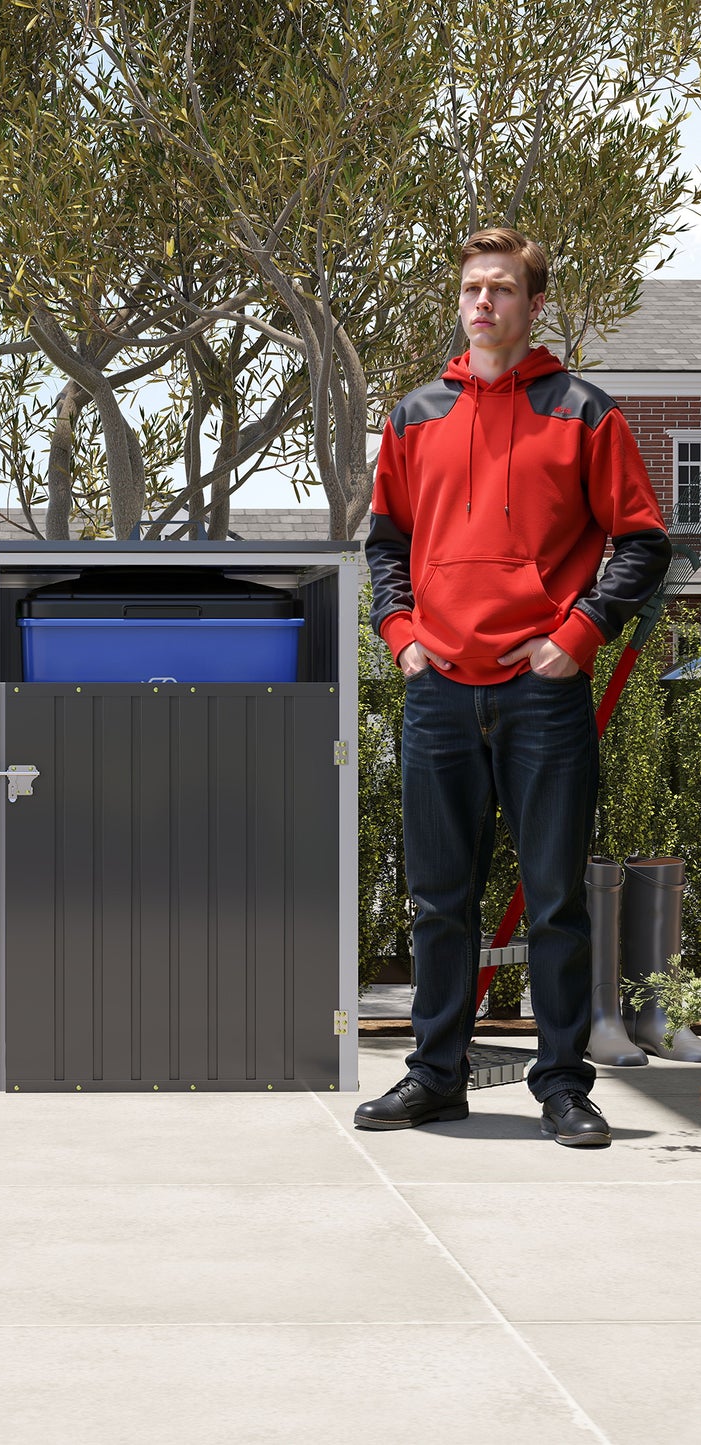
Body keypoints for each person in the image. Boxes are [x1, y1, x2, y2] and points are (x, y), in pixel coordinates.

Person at [358, 227, 671, 1147]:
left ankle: (564, 1085)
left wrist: (577, 634)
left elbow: (643, 540)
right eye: (470, 288)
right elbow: (384, 543)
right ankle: (435, 1077)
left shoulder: (582, 410)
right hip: (438, 690)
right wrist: (400, 634)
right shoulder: (414, 414)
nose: (482, 302)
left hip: (542, 693)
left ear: (533, 304)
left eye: (500, 288)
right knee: (436, 897)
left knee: (555, 896)